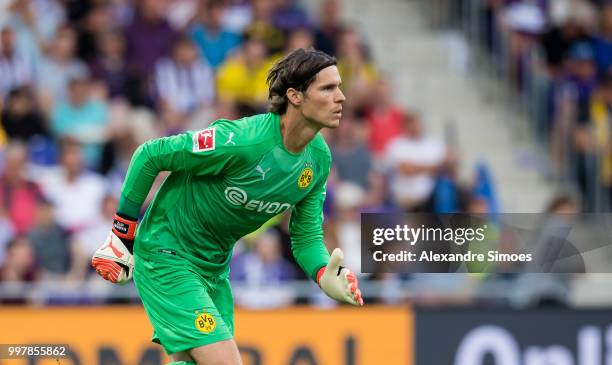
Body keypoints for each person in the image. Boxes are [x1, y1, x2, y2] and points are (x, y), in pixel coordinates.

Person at [91, 48, 363, 365]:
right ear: (295, 96)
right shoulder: (244, 141)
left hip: (214, 268)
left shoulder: (318, 159)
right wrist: (121, 235)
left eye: (340, 86)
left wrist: (323, 272)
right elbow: (149, 155)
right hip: (167, 253)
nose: (341, 97)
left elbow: (305, 237)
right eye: (328, 88)